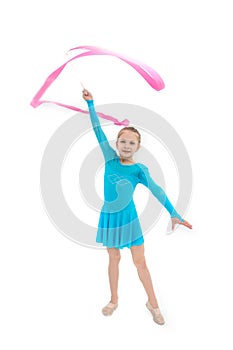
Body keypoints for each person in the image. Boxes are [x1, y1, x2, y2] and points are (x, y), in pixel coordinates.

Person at [82, 89, 192, 325]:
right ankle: (113, 300)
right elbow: (97, 130)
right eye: (122, 141)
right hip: (109, 217)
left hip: (129, 219)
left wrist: (174, 213)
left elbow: (158, 191)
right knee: (113, 259)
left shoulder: (138, 170)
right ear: (116, 143)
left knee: (140, 262)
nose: (126, 145)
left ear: (138, 147)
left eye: (132, 143)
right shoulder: (109, 158)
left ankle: (153, 304)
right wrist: (92, 104)